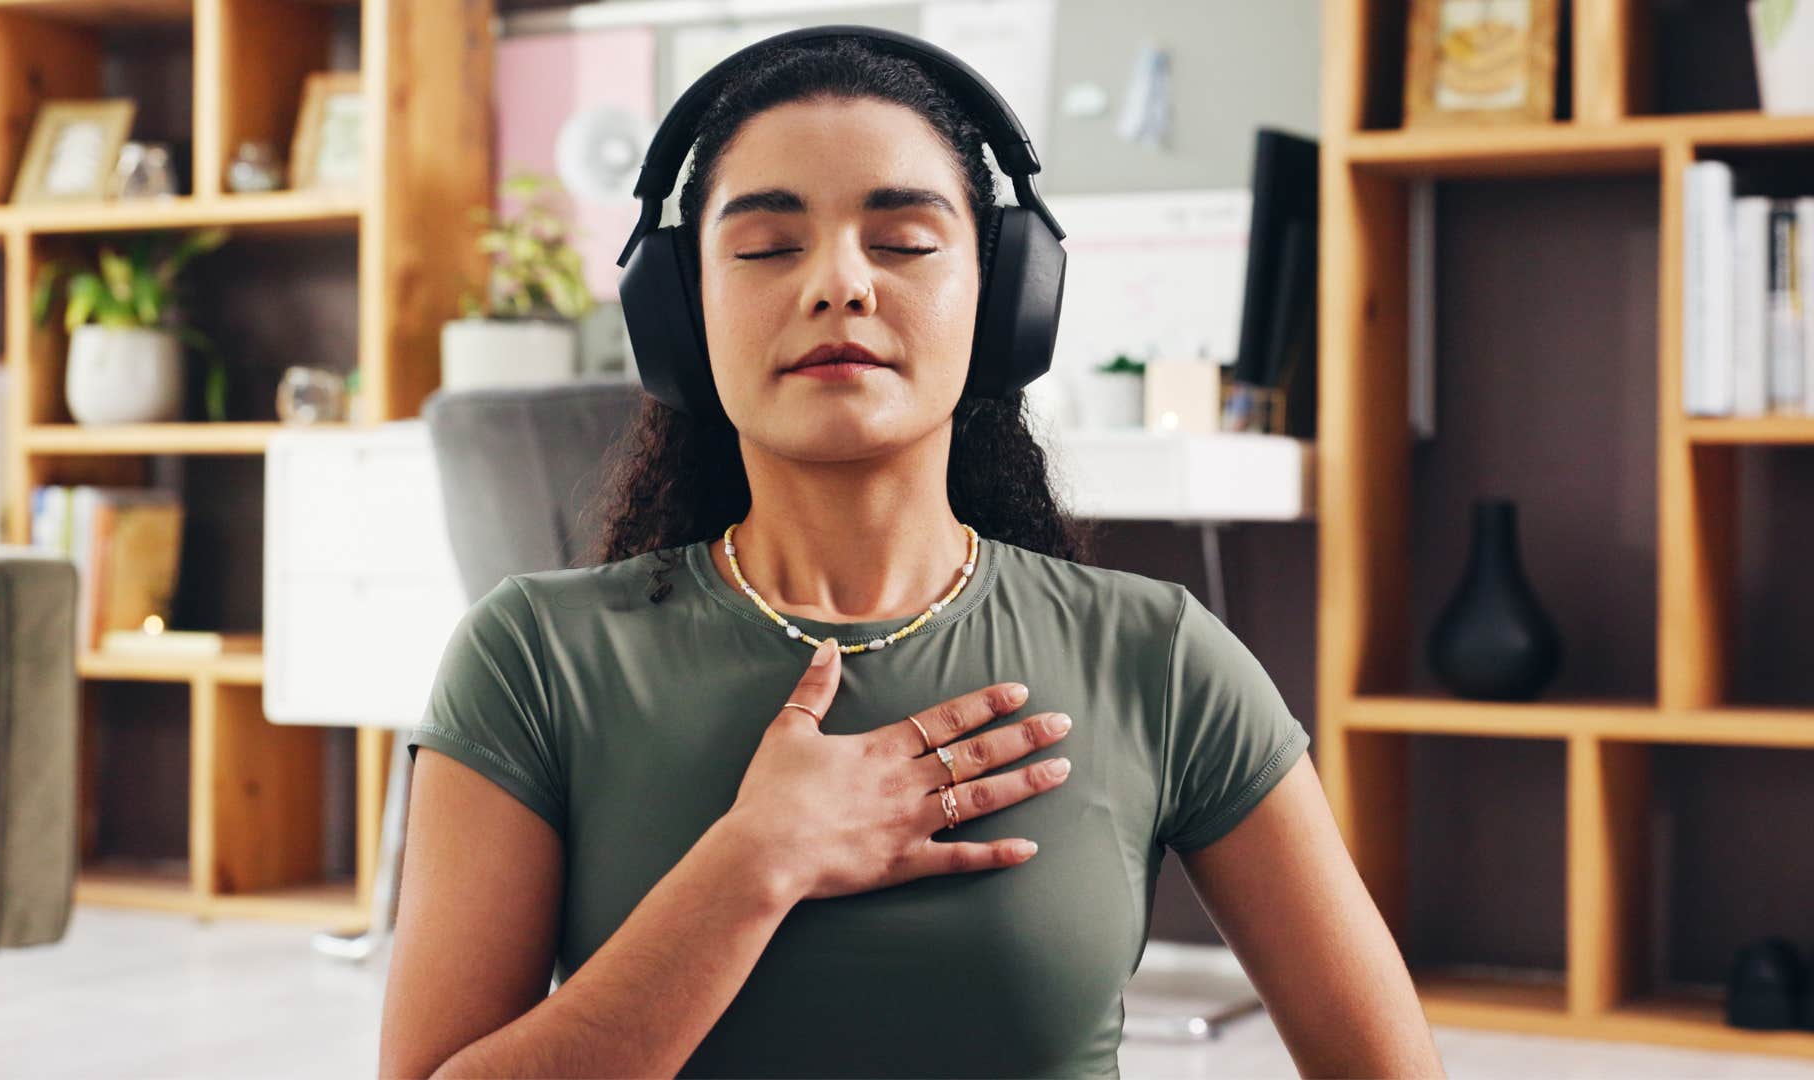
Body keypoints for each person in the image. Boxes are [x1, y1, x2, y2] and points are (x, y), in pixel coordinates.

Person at [380, 29, 1444, 1080]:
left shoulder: (1159, 656)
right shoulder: (531, 658)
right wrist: (755, 864)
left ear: (1005, 299)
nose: (840, 284)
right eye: (764, 247)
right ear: (678, 311)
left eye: (904, 242)